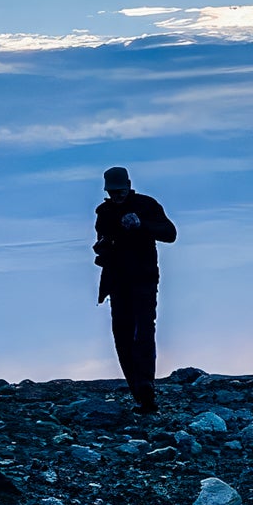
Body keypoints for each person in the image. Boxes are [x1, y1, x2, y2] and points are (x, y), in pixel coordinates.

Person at [93, 165, 176, 413]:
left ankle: (146, 387)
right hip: (116, 281)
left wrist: (142, 225)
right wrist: (102, 248)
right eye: (113, 192)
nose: (117, 196)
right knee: (122, 336)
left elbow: (170, 233)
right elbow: (101, 242)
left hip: (143, 279)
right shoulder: (104, 212)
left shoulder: (146, 205)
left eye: (120, 191)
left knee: (143, 332)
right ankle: (140, 394)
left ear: (129, 185)